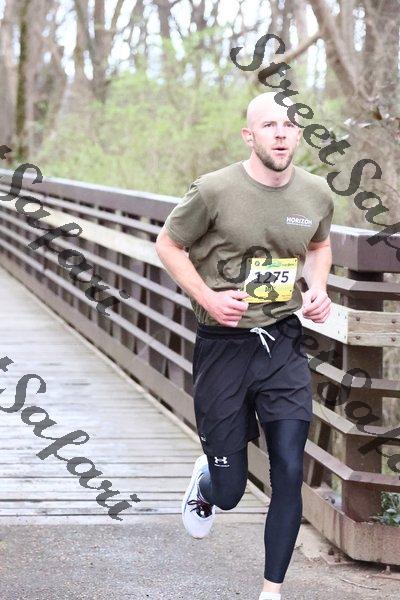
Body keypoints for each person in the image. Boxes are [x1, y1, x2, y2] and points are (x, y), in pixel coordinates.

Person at [155, 91, 333, 600]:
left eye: (290, 125)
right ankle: (208, 483)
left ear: (299, 135)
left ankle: (271, 591)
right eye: (270, 125)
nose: (281, 133)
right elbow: (168, 244)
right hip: (223, 348)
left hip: (282, 343)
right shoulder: (213, 189)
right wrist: (209, 298)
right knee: (231, 491)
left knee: (289, 469)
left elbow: (320, 245)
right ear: (249, 135)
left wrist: (318, 288)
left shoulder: (316, 193)